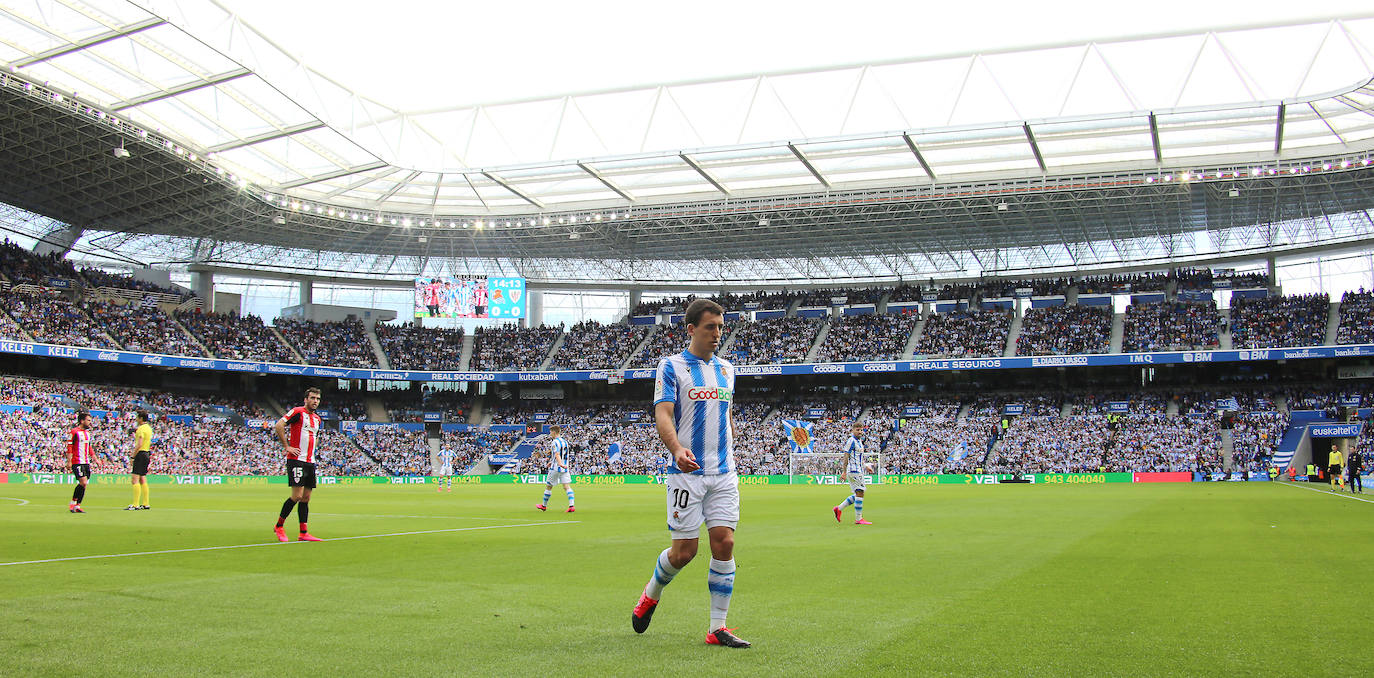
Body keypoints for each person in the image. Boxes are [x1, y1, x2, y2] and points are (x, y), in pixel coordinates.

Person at [630, 299, 750, 649]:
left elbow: (726, 415)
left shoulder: (728, 369)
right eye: (711, 326)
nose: (717, 334)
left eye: (721, 327)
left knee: (725, 542)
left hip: (724, 472)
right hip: (687, 473)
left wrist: (730, 442)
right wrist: (677, 449)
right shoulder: (671, 366)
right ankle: (651, 593)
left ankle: (717, 627)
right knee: (684, 552)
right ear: (691, 329)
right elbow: (664, 414)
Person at [273, 387, 324, 542]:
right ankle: (279, 526)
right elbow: (279, 425)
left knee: (306, 498)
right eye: (313, 398)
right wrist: (287, 446)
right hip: (296, 460)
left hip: (310, 461)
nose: (315, 401)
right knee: (297, 496)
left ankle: (303, 532)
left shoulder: (317, 419)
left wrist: (313, 451)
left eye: (318, 398)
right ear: (306, 399)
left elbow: (315, 437)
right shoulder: (297, 412)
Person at [833, 422, 872, 525]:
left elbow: (858, 457)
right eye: (857, 430)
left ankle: (838, 508)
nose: (859, 432)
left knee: (858, 493)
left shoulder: (859, 441)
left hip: (859, 469)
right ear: (852, 430)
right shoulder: (851, 441)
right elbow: (846, 456)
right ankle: (858, 519)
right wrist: (844, 472)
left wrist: (866, 466)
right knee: (860, 492)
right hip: (853, 470)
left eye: (861, 430)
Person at [536, 425, 575, 513]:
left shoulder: (554, 442)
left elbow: (557, 454)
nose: (550, 434)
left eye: (550, 432)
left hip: (556, 468)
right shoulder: (565, 442)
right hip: (565, 467)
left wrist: (559, 463)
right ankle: (571, 505)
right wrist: (553, 461)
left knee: (549, 486)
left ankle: (544, 506)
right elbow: (560, 454)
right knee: (566, 487)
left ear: (554, 432)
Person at [66, 411, 94, 514]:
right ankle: (73, 502)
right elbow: (69, 447)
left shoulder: (87, 433)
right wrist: (69, 461)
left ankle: (77, 505)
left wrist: (95, 458)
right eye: (88, 420)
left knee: (84, 485)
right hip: (77, 461)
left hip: (86, 462)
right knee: (83, 482)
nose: (90, 422)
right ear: (82, 421)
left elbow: (89, 447)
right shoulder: (74, 432)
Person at [125, 410, 152, 510]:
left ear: (141, 418)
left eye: (137, 418)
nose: (136, 419)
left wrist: (133, 456)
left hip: (140, 454)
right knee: (142, 478)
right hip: (147, 453)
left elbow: (139, 444)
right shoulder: (148, 428)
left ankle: (135, 504)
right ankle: (146, 503)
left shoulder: (141, 429)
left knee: (135, 480)